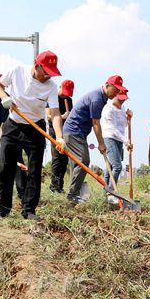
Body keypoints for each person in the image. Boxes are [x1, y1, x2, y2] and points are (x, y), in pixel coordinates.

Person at [0, 50, 65, 220]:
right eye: (45, 72)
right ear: (36, 65)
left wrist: (59, 137)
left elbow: (55, 113)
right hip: (13, 125)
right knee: (6, 168)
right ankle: (2, 209)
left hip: (35, 128)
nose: (48, 76)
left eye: (51, 73)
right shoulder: (17, 71)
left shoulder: (51, 86)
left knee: (34, 171)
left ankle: (29, 210)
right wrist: (4, 97)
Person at [63, 75, 127, 204]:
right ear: (107, 85)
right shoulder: (97, 99)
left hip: (79, 133)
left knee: (79, 162)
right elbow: (96, 123)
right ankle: (72, 194)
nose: (116, 93)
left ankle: (75, 193)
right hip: (73, 131)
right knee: (83, 160)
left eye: (118, 91)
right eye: (115, 89)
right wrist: (101, 144)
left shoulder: (102, 98)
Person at [47, 79, 74, 193]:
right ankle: (53, 186)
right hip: (54, 131)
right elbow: (48, 116)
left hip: (65, 132)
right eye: (65, 92)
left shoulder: (69, 100)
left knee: (64, 159)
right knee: (57, 158)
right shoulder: (52, 98)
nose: (65, 95)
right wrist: (63, 116)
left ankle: (60, 186)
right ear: (60, 87)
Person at [101, 90, 132, 189]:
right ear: (114, 96)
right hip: (109, 138)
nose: (122, 101)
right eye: (120, 99)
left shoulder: (122, 108)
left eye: (124, 99)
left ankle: (105, 192)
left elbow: (123, 125)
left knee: (110, 167)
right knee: (117, 166)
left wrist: (128, 118)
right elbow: (113, 129)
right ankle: (111, 192)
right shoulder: (108, 109)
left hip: (119, 140)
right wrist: (126, 141)